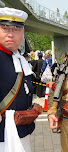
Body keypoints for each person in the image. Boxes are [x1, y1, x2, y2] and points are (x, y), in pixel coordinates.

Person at [0, 7, 35, 151]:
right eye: (5, 28)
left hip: (21, 128)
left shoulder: (19, 57)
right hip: (3, 134)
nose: (10, 34)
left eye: (16, 29)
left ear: (22, 32)